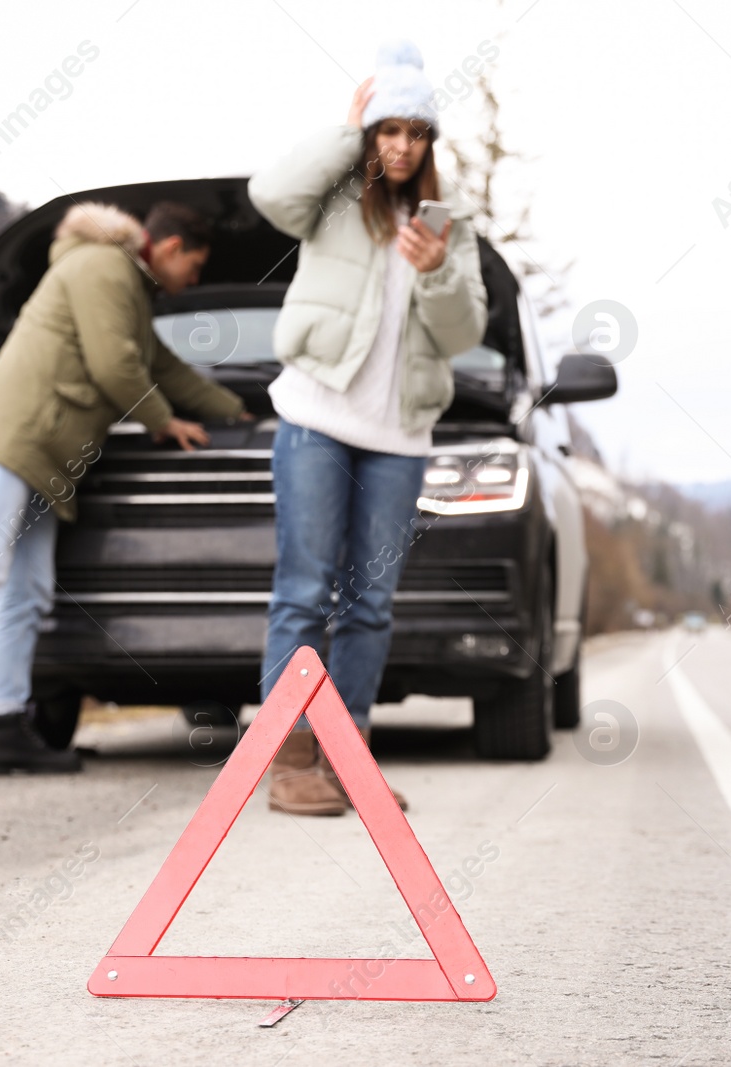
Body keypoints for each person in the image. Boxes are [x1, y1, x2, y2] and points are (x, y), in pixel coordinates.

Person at [0, 201, 247, 779]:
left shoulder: (131, 295)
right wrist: (164, 423)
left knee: (29, 590)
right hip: (12, 436)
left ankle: (5, 726)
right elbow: (115, 365)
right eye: (195, 266)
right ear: (168, 249)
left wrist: (241, 412)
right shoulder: (104, 267)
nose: (194, 280)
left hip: (47, 456)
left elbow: (165, 369)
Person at [248, 41, 488, 815]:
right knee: (304, 590)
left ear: (429, 145)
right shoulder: (333, 196)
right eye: (388, 128)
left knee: (371, 601)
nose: (401, 145)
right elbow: (268, 194)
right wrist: (340, 131)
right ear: (371, 130)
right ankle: (289, 757)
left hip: (398, 436)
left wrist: (439, 270)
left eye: (415, 133)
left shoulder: (447, 228)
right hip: (317, 418)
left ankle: (347, 753)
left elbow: (463, 334)